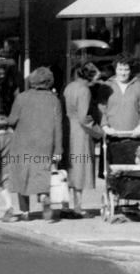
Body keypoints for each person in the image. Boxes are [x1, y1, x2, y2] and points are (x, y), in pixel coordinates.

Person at [7, 67, 63, 222]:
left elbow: (12, 120)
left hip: (22, 143)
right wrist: (58, 149)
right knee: (41, 174)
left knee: (21, 175)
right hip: (44, 144)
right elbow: (58, 127)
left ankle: (25, 211)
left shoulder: (22, 97)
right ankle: (44, 196)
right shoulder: (54, 100)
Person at [61, 64, 103, 219]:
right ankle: (78, 207)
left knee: (69, 168)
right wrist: (99, 131)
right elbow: (84, 117)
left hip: (68, 129)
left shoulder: (69, 87)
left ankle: (65, 205)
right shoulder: (84, 90)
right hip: (80, 131)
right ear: (89, 77)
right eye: (96, 78)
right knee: (80, 168)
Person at [100, 55, 140, 139]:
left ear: (130, 70)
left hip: (134, 135)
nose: (123, 73)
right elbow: (101, 109)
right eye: (120, 69)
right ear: (115, 69)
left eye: (126, 70)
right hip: (112, 136)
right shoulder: (106, 86)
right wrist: (105, 127)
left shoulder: (139, 85)